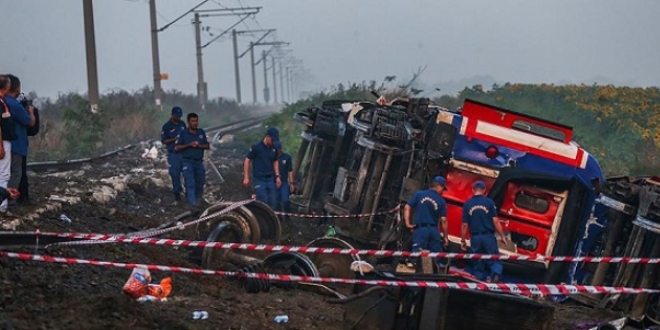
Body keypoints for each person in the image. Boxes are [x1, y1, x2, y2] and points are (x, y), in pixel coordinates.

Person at [460, 181, 508, 283]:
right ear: (485, 191)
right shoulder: (489, 202)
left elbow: (464, 225)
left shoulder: (467, 204)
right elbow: (495, 221)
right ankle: (495, 275)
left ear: (473, 190)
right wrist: (502, 236)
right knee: (493, 258)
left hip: (475, 238)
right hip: (488, 236)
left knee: (477, 260)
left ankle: (478, 281)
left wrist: (463, 240)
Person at [404, 176, 449, 269]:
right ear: (439, 187)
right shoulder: (441, 201)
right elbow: (444, 220)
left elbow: (407, 207)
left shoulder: (419, 194)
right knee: (435, 258)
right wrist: (445, 237)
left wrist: (408, 223)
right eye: (443, 189)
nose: (442, 191)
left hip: (420, 229)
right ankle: (432, 278)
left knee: (416, 257)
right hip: (433, 231)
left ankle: (414, 277)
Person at [4, 75, 35, 207]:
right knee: (15, 173)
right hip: (16, 145)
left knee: (3, 173)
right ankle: (10, 201)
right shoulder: (14, 105)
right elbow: (30, 122)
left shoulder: (2, 102)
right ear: (16, 88)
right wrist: (31, 112)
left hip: (4, 143)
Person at [175, 113, 209, 214]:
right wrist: (189, 145)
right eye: (193, 121)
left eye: (196, 121)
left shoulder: (201, 132)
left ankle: (198, 202)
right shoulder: (183, 133)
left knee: (200, 183)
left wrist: (199, 145)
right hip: (187, 162)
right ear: (188, 122)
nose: (195, 123)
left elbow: (207, 145)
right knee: (190, 184)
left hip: (199, 162)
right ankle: (193, 206)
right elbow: (177, 148)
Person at [243, 127, 281, 209]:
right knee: (263, 201)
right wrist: (246, 177)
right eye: (272, 140)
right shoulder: (256, 147)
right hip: (259, 179)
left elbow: (275, 161)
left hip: (270, 179)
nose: (273, 142)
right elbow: (247, 160)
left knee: (273, 202)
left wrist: (277, 176)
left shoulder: (274, 148)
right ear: (267, 136)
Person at [161, 106, 186, 202]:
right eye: (177, 116)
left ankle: (189, 194)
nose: (178, 118)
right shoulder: (166, 126)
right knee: (175, 174)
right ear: (172, 115)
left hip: (183, 153)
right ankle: (177, 195)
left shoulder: (182, 124)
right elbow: (164, 141)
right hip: (173, 154)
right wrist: (175, 139)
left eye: (180, 116)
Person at [0, 75, 17, 212]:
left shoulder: (3, 101)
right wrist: (0, 145)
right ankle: (2, 205)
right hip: (3, 141)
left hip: (5, 140)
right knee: (4, 173)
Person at [273, 141, 294, 215]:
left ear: (280, 149)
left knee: (285, 200)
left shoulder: (287, 157)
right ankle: (279, 218)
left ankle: (287, 215)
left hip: (284, 182)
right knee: (276, 202)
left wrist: (291, 183)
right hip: (274, 183)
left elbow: (290, 170)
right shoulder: (272, 157)